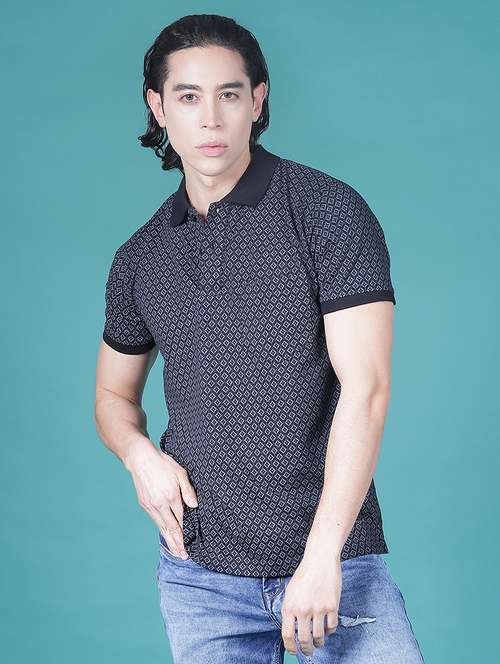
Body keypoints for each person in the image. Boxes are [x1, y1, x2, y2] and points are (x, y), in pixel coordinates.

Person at [94, 13, 425, 663]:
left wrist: (322, 555)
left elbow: (367, 389)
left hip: (335, 560)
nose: (210, 118)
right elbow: (112, 396)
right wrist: (138, 455)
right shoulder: (139, 257)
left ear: (258, 100)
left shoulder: (327, 211)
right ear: (158, 108)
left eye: (229, 94)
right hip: (200, 575)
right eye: (188, 96)